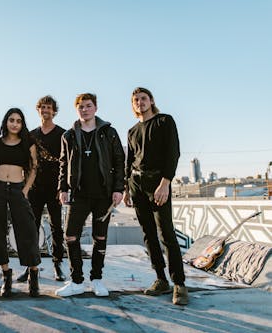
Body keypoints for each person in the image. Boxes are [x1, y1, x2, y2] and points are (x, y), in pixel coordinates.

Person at [123, 87, 188, 306]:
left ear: (151, 101)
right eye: (136, 100)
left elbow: (173, 152)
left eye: (143, 98)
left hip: (158, 183)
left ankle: (179, 284)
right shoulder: (132, 131)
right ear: (133, 105)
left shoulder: (164, 121)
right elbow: (129, 161)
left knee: (166, 233)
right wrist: (126, 189)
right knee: (148, 234)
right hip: (136, 184)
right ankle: (161, 279)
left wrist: (165, 183)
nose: (139, 102)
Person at [55, 93, 125, 297]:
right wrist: (63, 188)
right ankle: (76, 281)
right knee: (70, 236)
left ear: (95, 108)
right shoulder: (68, 135)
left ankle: (96, 279)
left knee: (100, 237)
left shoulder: (109, 133)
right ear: (77, 109)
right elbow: (63, 164)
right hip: (78, 194)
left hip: (103, 194)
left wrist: (118, 189)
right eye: (81, 106)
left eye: (88, 106)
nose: (84, 109)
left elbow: (119, 161)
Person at [0, 108, 41, 297]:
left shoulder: (28, 142)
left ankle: (33, 274)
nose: (15, 123)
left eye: (18, 121)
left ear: (22, 124)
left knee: (27, 231)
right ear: (6, 122)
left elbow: (34, 167)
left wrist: (25, 190)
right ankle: (6, 276)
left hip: (17, 189)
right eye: (11, 120)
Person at [17, 95, 66, 283]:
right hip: (34, 188)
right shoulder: (32, 135)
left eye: (49, 107)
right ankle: (31, 267)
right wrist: (25, 186)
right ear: (38, 110)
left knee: (56, 227)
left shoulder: (63, 134)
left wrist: (63, 187)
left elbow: (66, 162)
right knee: (32, 227)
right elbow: (26, 162)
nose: (45, 110)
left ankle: (57, 264)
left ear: (54, 111)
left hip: (55, 187)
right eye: (42, 107)